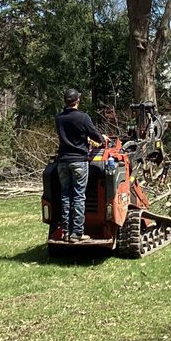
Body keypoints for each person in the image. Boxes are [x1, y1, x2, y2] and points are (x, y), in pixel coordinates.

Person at [55, 88, 105, 242]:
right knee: (78, 196)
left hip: (63, 161)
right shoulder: (83, 117)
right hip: (79, 161)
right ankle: (77, 233)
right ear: (77, 101)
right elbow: (96, 136)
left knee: (65, 196)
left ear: (65, 101)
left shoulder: (59, 118)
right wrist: (101, 139)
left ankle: (65, 232)